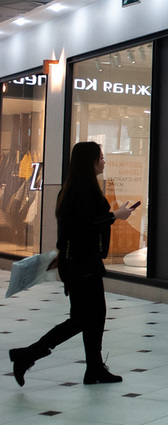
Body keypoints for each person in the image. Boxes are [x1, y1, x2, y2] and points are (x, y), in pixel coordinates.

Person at [8, 142, 137, 386]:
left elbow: (68, 228)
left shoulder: (71, 188)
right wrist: (115, 216)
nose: (104, 161)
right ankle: (28, 355)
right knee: (86, 318)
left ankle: (93, 368)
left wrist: (61, 253)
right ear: (91, 161)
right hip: (83, 265)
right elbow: (86, 226)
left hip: (77, 262)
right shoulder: (84, 189)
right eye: (101, 157)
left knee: (89, 317)